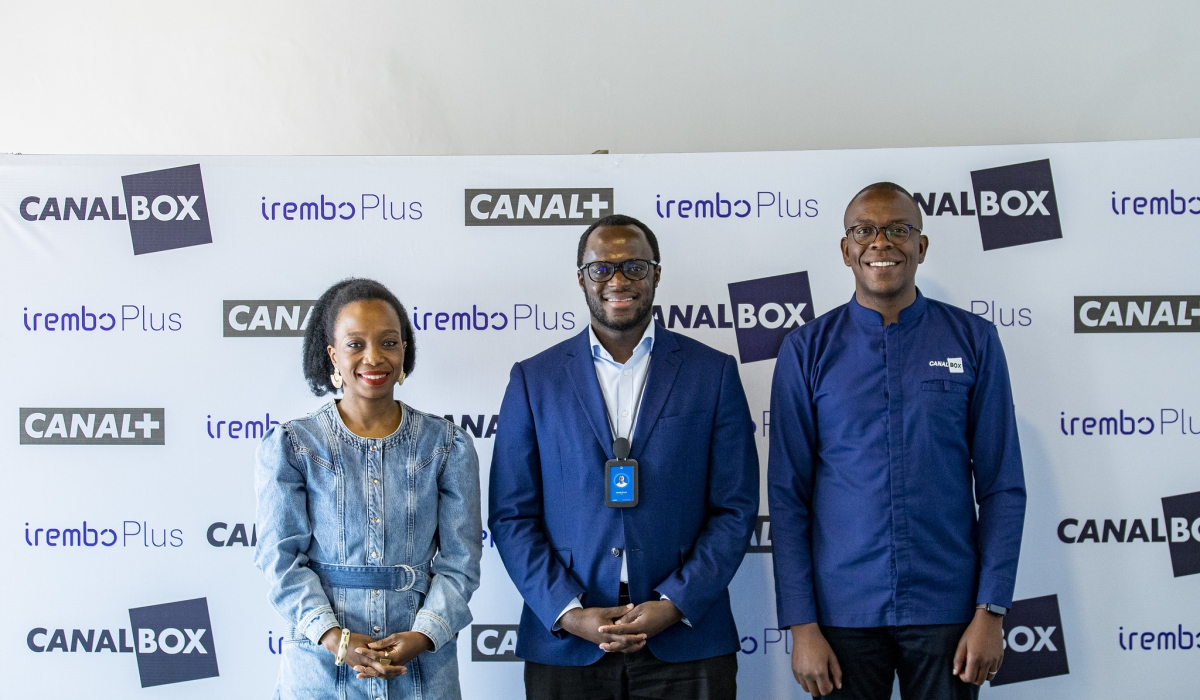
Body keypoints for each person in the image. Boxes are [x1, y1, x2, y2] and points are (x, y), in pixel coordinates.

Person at [768, 183, 1026, 699]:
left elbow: (1002, 486)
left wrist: (990, 610)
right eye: (864, 230)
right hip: (842, 613)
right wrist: (801, 626)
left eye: (898, 229)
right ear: (846, 250)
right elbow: (787, 497)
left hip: (947, 609)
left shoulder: (973, 340)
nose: (881, 242)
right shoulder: (805, 349)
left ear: (921, 246)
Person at [489, 214, 759, 700]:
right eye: (601, 269)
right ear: (581, 279)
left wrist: (675, 602)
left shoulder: (712, 373)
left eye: (634, 267)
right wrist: (568, 612)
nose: (618, 280)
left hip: (686, 638)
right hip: (567, 643)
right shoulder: (534, 380)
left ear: (656, 274)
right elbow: (511, 515)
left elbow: (735, 508)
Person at [255, 278, 482, 700]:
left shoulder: (448, 445)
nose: (373, 357)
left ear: (404, 351)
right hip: (319, 668)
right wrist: (334, 637)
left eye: (389, 343)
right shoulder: (293, 445)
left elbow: (460, 561)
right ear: (333, 356)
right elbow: (279, 560)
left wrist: (423, 635)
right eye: (355, 344)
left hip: (421, 669)